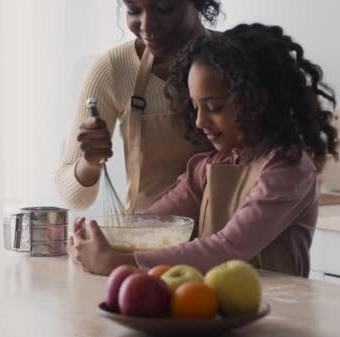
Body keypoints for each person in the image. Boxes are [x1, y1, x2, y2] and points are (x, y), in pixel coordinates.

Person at [67, 23, 340, 277]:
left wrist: (115, 262)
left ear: (257, 99)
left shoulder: (288, 169)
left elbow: (227, 249)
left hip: (280, 317)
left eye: (213, 108)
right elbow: (150, 224)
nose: (199, 122)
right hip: (217, 312)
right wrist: (100, 235)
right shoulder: (206, 167)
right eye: (196, 108)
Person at [55, 0, 222, 212]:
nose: (147, 26)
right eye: (133, 10)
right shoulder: (114, 69)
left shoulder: (239, 62)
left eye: (163, 8)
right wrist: (89, 164)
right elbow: (75, 200)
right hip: (148, 238)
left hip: (232, 237)